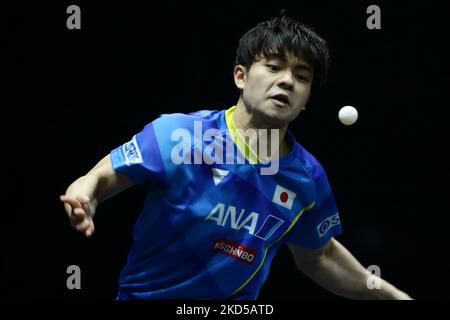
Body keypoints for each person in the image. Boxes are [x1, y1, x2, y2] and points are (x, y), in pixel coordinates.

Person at [60, 14, 412, 300]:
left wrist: (393, 296)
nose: (287, 81)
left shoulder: (308, 177)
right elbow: (101, 176)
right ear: (240, 76)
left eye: (301, 76)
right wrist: (85, 196)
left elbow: (319, 256)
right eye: (273, 67)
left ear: (306, 100)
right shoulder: (180, 134)